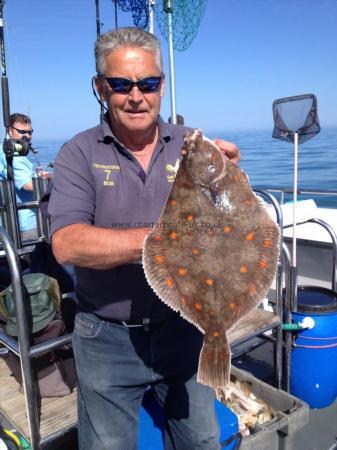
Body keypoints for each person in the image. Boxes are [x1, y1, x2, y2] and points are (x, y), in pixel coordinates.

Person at [48, 27, 241, 450]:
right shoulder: (78, 154)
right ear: (101, 87)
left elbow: (228, 227)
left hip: (185, 328)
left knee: (204, 441)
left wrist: (232, 179)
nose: (136, 96)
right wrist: (166, 239)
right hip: (106, 339)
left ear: (162, 86)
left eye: (148, 83)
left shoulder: (191, 146)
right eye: (121, 84)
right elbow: (67, 243)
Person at [0, 113, 38, 242]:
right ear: (10, 131)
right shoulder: (14, 155)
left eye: (30, 132)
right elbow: (28, 185)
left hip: (11, 221)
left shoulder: (3, 151)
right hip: (26, 224)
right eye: (22, 131)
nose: (27, 136)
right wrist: (56, 181)